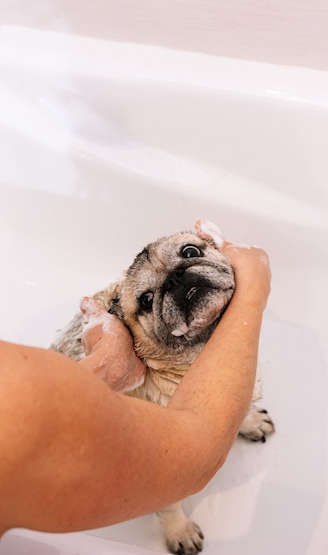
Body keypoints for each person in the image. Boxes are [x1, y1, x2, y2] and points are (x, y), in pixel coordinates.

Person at [0, 221, 271, 537]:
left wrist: (101, 364)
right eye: (146, 300)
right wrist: (255, 286)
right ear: (132, 335)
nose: (178, 280)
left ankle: (246, 419)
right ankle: (174, 525)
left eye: (190, 252)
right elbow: (188, 466)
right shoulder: (18, 405)